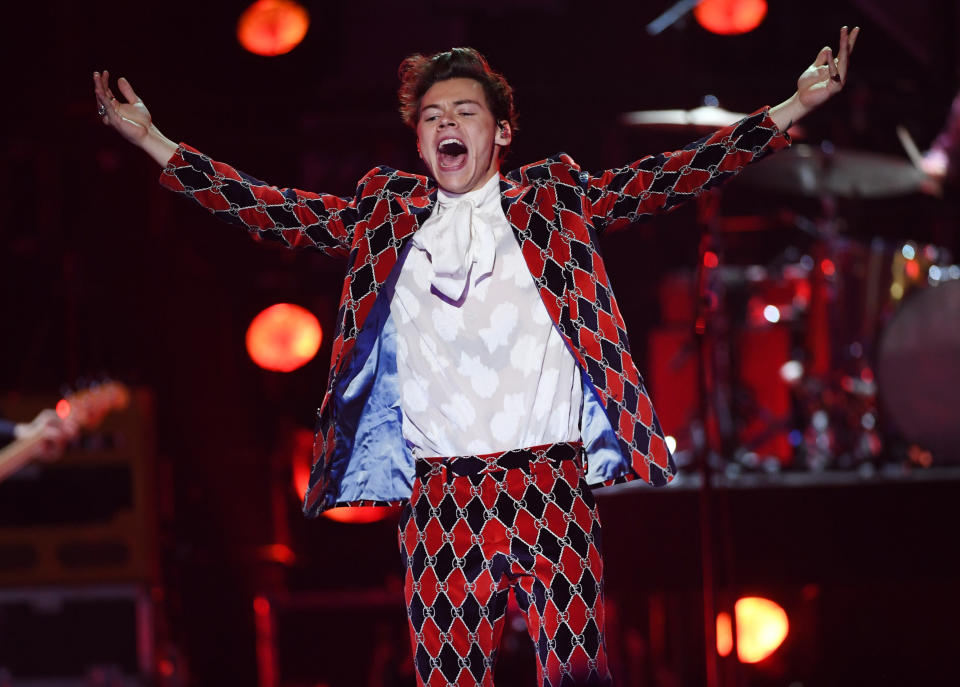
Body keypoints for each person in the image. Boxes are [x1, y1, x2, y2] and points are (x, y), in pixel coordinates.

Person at [94, 27, 858, 687]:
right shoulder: (385, 219)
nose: (446, 124)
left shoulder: (554, 202)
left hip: (549, 483)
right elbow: (269, 207)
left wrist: (787, 110)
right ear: (419, 137)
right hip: (442, 500)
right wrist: (156, 143)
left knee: (577, 676)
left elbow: (667, 178)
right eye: (432, 116)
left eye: (465, 111)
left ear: (501, 131)